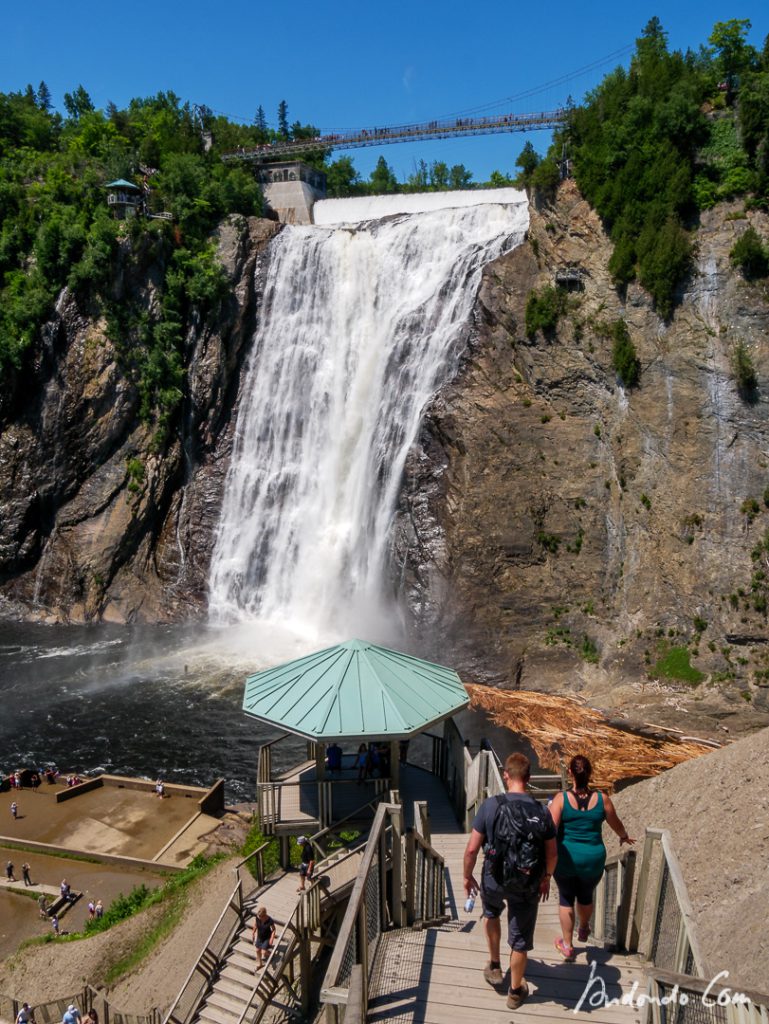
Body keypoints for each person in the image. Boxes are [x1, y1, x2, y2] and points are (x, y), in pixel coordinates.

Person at [463, 752, 557, 1011]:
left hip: (494, 878)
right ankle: (515, 991)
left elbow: (472, 850)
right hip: (528, 882)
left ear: (506, 776)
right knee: (520, 939)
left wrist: (467, 876)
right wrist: (546, 878)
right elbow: (552, 853)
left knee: (491, 913)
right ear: (528, 778)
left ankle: (494, 965)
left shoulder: (491, 806)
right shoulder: (542, 811)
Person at [548, 754, 635, 961]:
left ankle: (568, 946)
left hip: (567, 858)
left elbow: (550, 829)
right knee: (586, 894)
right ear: (590, 773)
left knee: (566, 897)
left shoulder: (561, 799)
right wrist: (623, 836)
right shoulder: (602, 799)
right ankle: (584, 926)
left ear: (570, 773)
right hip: (593, 859)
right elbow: (616, 823)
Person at [252, 905, 276, 969]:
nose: (259, 917)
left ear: (264, 915)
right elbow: (255, 924)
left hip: (267, 937)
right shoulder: (257, 918)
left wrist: (271, 938)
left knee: (264, 952)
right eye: (258, 916)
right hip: (259, 936)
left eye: (260, 916)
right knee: (257, 950)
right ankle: (260, 964)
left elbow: (274, 929)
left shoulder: (270, 920)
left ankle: (271, 954)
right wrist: (253, 932)